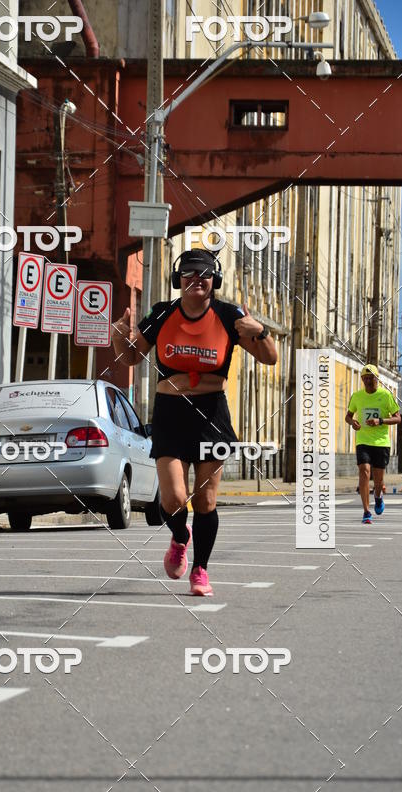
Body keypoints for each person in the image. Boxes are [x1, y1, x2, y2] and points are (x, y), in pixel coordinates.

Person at [110, 248, 277, 595]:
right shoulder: (162, 314)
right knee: (173, 498)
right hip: (170, 412)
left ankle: (200, 570)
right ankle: (179, 536)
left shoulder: (229, 315)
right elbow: (131, 356)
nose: (196, 281)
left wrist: (259, 330)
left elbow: (269, 358)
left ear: (214, 281)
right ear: (178, 281)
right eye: (188, 276)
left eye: (203, 275)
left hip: (211, 414)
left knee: (205, 500)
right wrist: (118, 336)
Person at [345, 364, 401, 524]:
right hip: (363, 440)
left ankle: (378, 496)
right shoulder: (357, 396)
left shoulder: (386, 396)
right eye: (366, 379)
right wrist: (352, 422)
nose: (369, 382)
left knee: (378, 481)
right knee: (364, 471)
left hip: (381, 442)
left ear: (378, 379)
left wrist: (380, 421)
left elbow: (398, 418)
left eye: (372, 379)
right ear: (362, 379)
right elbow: (348, 416)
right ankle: (366, 511)